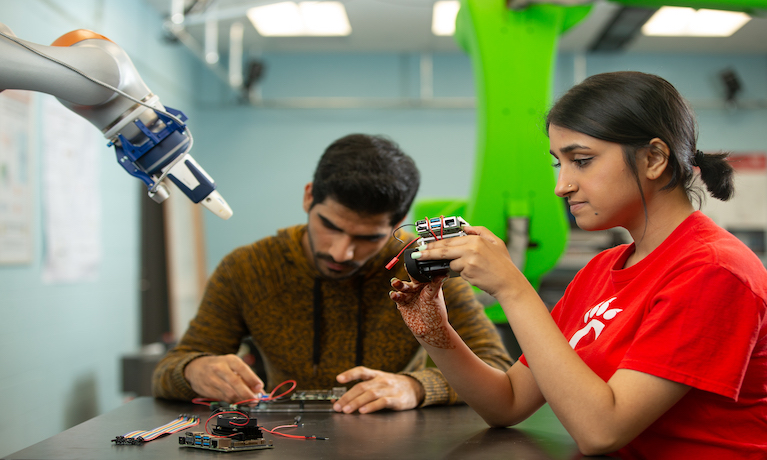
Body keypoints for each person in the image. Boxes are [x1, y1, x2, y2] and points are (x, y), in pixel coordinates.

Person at [390, 71, 767, 458]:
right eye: (559, 164)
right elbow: (509, 402)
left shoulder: (715, 271)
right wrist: (435, 331)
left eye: (582, 161)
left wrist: (512, 288)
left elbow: (602, 432)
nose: (562, 185)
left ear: (654, 158)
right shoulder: (602, 270)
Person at [152, 133, 512, 414]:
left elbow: (496, 367)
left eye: (367, 237)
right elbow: (168, 371)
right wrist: (194, 370)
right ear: (309, 197)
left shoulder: (422, 266)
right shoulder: (247, 268)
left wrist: (415, 387)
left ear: (397, 224)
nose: (342, 252)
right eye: (330, 226)